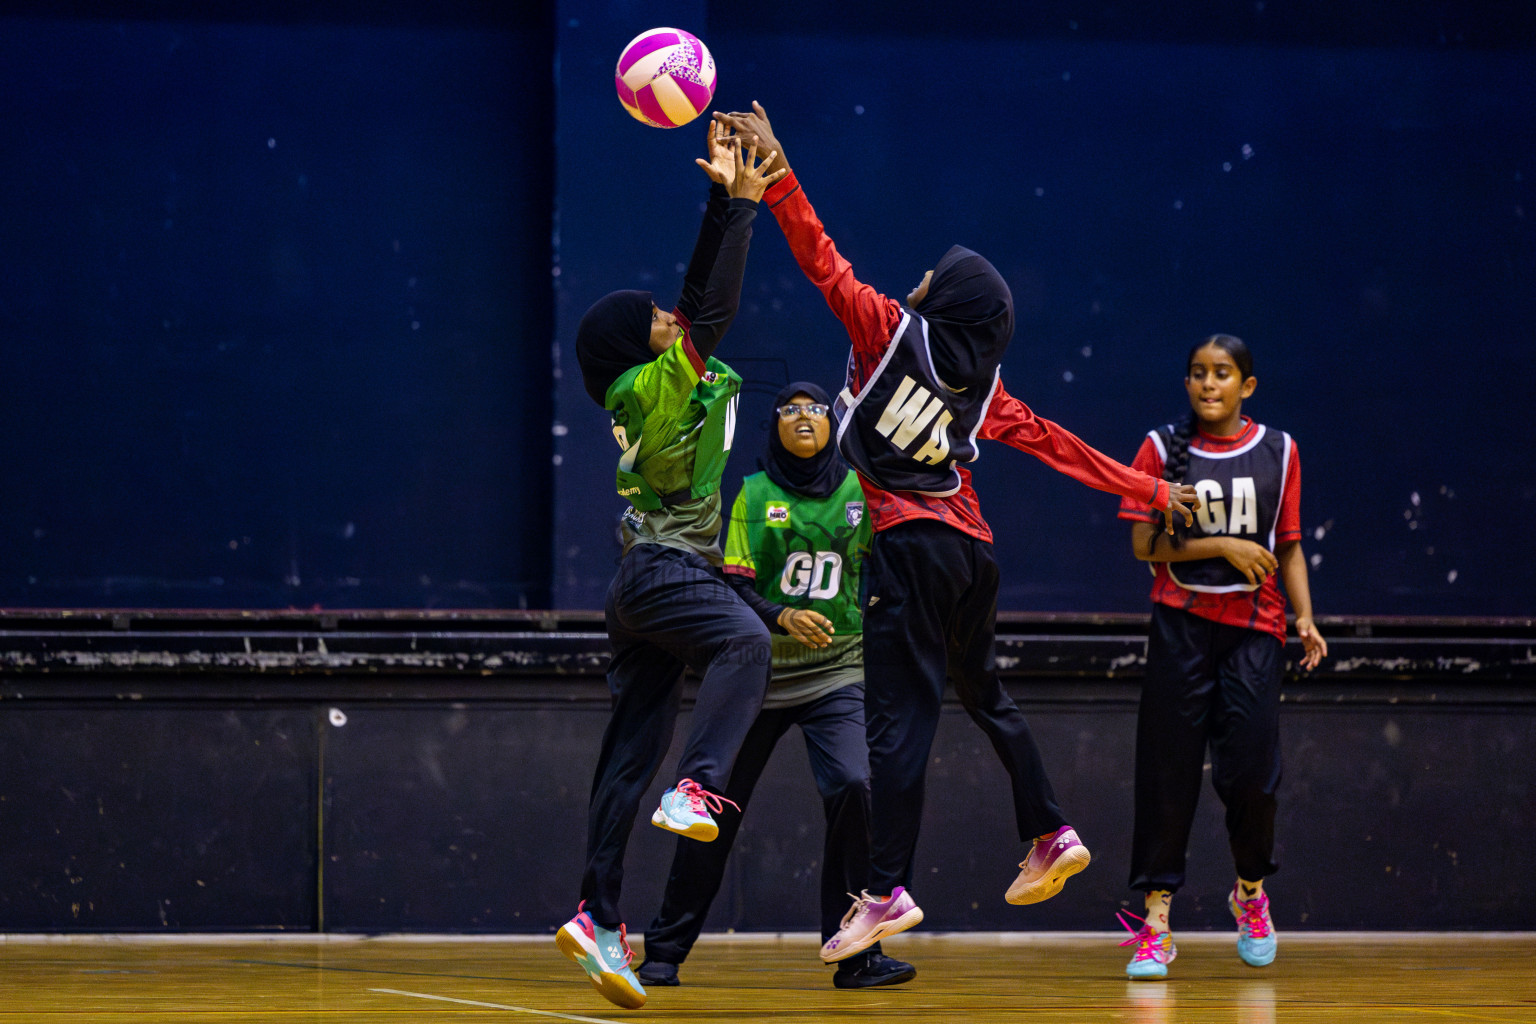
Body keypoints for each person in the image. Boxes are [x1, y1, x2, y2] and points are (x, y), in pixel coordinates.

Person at [713, 102, 1201, 967]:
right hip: (974, 556)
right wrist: (1153, 488)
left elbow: (820, 259)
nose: (923, 282)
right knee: (987, 699)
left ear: (953, 300)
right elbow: (1063, 447)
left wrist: (781, 172)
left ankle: (883, 891)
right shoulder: (988, 389)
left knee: (897, 728)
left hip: (908, 549)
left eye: (937, 278)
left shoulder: (885, 330)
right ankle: (1049, 830)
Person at [555, 122, 788, 1010]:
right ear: (631, 345)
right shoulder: (649, 386)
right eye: (651, 318)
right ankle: (701, 786)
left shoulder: (646, 379)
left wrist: (721, 196)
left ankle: (597, 915)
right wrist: (741, 210)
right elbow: (713, 309)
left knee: (627, 754)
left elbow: (694, 302)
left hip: (643, 582)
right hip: (662, 570)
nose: (670, 320)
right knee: (745, 649)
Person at [636, 382, 916, 991]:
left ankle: (853, 955)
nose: (804, 417)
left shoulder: (857, 491)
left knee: (853, 785)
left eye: (816, 407)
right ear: (775, 426)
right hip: (758, 677)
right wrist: (780, 616)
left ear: (831, 422)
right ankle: (663, 952)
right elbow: (732, 586)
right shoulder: (753, 495)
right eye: (790, 409)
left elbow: (887, 571)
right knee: (713, 813)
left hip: (837, 672)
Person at [1114, 334, 1327, 980]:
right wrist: (1223, 546)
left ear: (1247, 386)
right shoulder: (1159, 450)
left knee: (1252, 778)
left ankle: (1251, 895)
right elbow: (1143, 546)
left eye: (1223, 374)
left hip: (1255, 633)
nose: (1210, 384)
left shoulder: (1280, 451)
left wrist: (1307, 619)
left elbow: (1288, 546)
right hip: (1179, 629)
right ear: (1187, 385)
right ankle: (1155, 923)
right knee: (1166, 777)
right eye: (1199, 374)